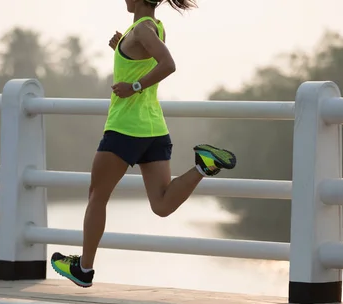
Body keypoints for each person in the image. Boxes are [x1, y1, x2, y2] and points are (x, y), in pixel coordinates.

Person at [50, 0, 237, 288]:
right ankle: (203, 166)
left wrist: (133, 87)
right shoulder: (153, 28)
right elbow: (145, 62)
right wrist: (121, 51)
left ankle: (83, 269)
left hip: (125, 128)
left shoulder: (142, 30)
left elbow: (168, 65)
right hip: (154, 129)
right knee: (161, 204)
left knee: (97, 196)